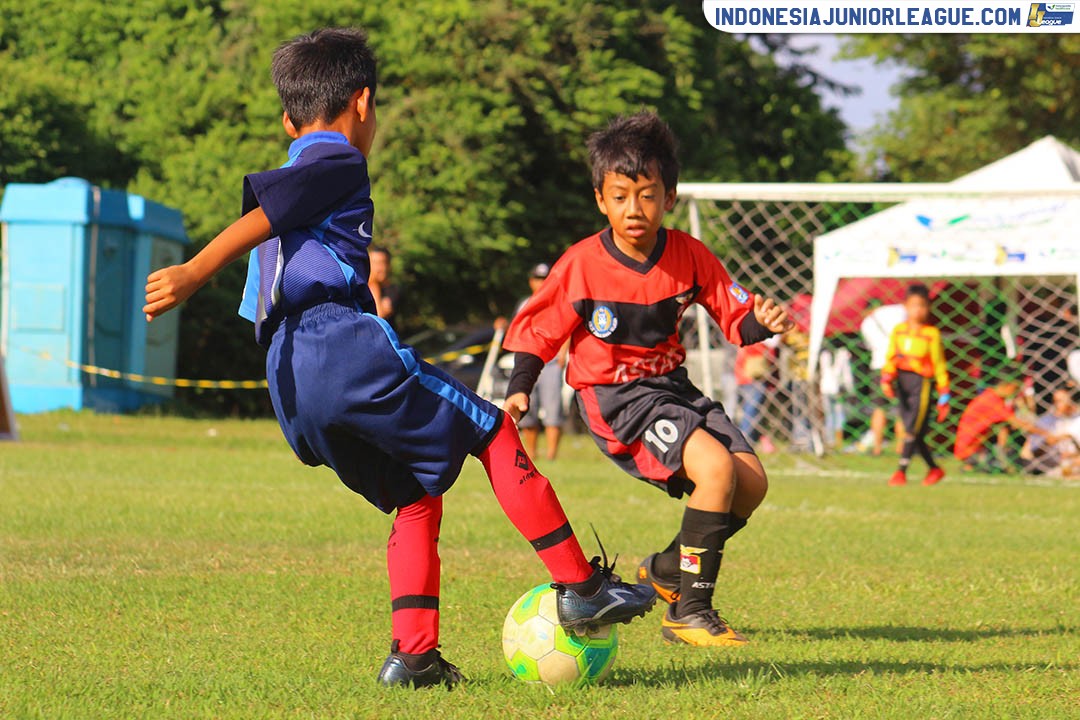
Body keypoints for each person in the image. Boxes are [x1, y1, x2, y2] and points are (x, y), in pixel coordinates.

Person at [141, 28, 654, 690]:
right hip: (337, 344)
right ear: (362, 103)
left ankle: (414, 658)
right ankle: (580, 585)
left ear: (285, 119)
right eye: (375, 111)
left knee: (414, 498)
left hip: (289, 380)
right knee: (494, 429)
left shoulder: (298, 176)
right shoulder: (337, 163)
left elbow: (267, 272)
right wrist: (192, 272)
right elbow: (263, 217)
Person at [502, 111, 793, 647]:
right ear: (599, 199)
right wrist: (521, 384)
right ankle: (690, 611)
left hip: (672, 388)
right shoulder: (582, 264)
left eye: (647, 195)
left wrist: (761, 323)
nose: (633, 210)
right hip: (615, 398)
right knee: (714, 470)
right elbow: (539, 327)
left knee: (750, 483)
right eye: (619, 197)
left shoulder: (688, 255)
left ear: (670, 197)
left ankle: (664, 572)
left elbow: (733, 314)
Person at [881, 283, 951, 487]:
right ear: (905, 306)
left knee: (911, 429)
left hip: (921, 384)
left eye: (922, 305)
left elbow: (939, 364)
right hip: (902, 381)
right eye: (914, 305)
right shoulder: (899, 331)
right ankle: (935, 469)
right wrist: (887, 378)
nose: (918, 310)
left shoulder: (932, 333)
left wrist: (944, 393)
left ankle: (900, 472)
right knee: (915, 432)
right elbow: (891, 356)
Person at [514, 263, 568, 461]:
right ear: (531, 281)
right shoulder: (524, 303)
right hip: (529, 361)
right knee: (527, 409)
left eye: (545, 279)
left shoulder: (558, 301)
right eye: (538, 279)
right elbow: (518, 330)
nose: (541, 283)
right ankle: (532, 454)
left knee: (553, 410)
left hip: (552, 363)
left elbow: (567, 327)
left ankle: (552, 456)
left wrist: (563, 353)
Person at [954, 370, 1057, 472]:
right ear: (1007, 385)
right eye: (1015, 388)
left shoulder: (994, 397)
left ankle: (996, 462)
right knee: (997, 468)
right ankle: (974, 465)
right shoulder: (992, 401)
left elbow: (1005, 426)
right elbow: (1018, 423)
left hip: (978, 446)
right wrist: (1046, 433)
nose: (1016, 392)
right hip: (970, 448)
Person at [860, 299, 907, 455]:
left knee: (879, 408)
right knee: (902, 408)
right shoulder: (896, 310)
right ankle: (901, 447)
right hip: (900, 363)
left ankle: (877, 447)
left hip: (879, 365)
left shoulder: (866, 323)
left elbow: (869, 346)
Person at [1022, 387, 1079, 474]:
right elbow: (1031, 452)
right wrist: (1049, 441)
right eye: (1055, 401)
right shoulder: (1046, 420)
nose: (1058, 404)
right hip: (1052, 464)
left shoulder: (1077, 420)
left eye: (1062, 400)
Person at [819, 344, 854, 448]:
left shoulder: (826, 354)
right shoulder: (840, 353)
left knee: (832, 415)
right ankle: (836, 440)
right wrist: (850, 389)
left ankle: (832, 440)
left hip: (828, 387)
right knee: (837, 414)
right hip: (833, 388)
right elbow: (847, 374)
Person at [367, 245, 400, 327]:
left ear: (388, 265)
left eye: (381, 263)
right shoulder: (360, 288)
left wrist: (373, 285)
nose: (378, 268)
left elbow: (379, 315)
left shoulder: (394, 289)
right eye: (374, 263)